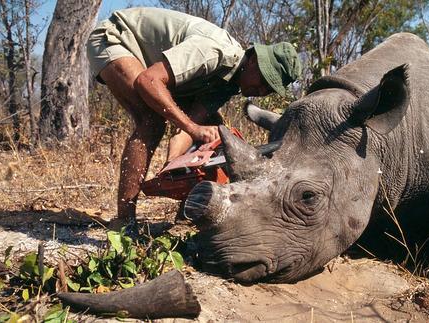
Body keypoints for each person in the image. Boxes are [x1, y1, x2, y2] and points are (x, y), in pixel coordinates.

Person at [86, 7, 301, 229]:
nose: (263, 91)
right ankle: (124, 222)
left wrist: (175, 168)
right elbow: (148, 81)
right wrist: (192, 128)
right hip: (116, 37)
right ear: (254, 59)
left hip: (150, 66)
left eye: (270, 89)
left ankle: (186, 217)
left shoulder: (227, 85)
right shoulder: (215, 51)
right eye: (265, 80)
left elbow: (191, 127)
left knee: (215, 132)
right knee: (150, 122)